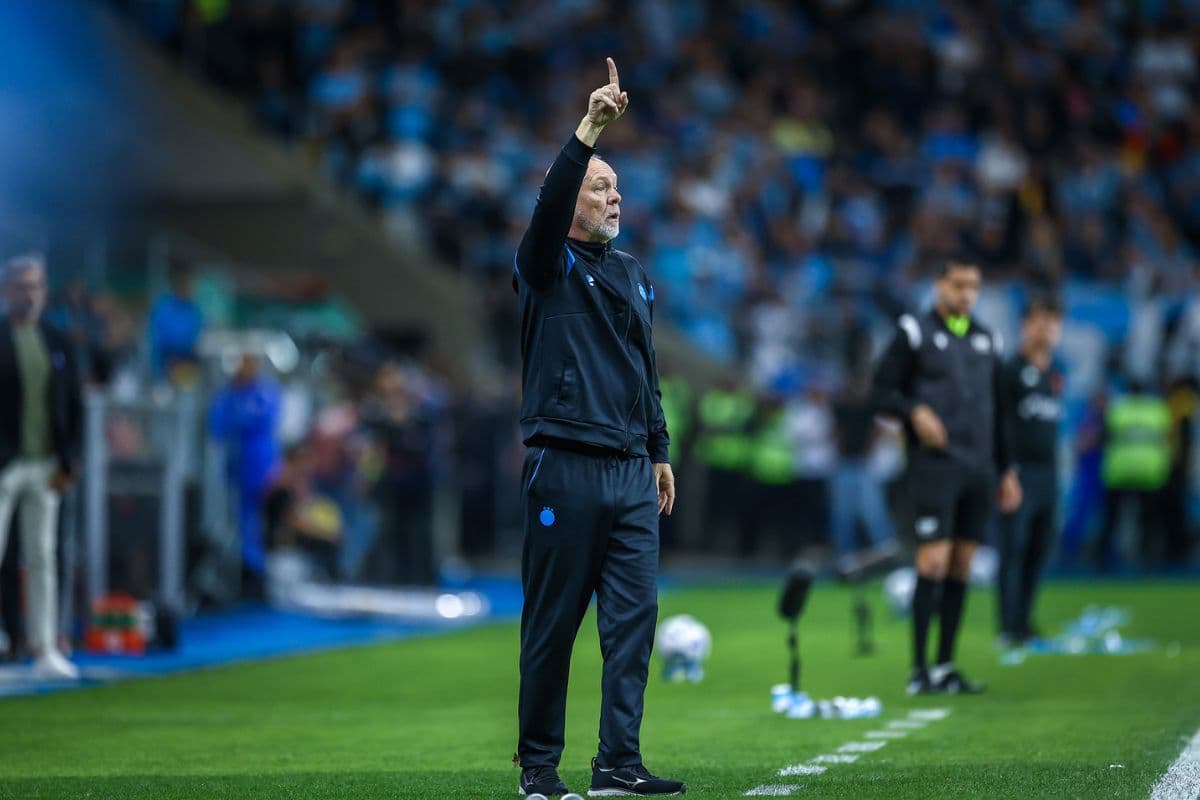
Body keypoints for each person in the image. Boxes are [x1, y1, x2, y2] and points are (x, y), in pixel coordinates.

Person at [511, 59, 685, 798]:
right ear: (569, 200)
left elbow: (644, 370)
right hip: (566, 465)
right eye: (599, 185)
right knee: (553, 629)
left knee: (631, 626)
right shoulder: (543, 266)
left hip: (629, 473)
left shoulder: (635, 273)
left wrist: (658, 448)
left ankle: (618, 764)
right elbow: (549, 205)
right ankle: (540, 770)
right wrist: (587, 131)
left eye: (616, 185)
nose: (614, 195)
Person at [872, 258, 1021, 695]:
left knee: (961, 564)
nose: (966, 294)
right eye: (958, 284)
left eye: (973, 286)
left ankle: (945, 666)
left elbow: (999, 412)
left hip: (979, 468)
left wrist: (1007, 469)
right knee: (932, 560)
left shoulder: (984, 338)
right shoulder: (914, 332)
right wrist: (913, 410)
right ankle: (919, 670)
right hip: (934, 466)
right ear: (939, 285)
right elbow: (880, 390)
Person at [0, 254, 82, 679]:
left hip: (46, 463)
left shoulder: (58, 340)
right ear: (5, 289)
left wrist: (71, 459)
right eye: (21, 285)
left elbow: (73, 405)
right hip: (5, 464)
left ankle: (44, 646)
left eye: (36, 285)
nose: (29, 293)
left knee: (43, 557)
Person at [996, 297, 1065, 645]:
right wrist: (1006, 471)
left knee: (1038, 550)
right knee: (1013, 549)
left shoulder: (1054, 373)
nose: (1047, 330)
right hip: (1019, 473)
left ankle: (1024, 620)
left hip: (1049, 474)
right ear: (1025, 326)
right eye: (1040, 322)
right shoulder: (1011, 370)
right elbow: (1001, 424)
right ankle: (1008, 626)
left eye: (1052, 323)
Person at [209, 353, 282, 599]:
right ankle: (241, 576)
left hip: (261, 469)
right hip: (235, 471)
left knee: (261, 524)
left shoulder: (264, 394)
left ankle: (260, 576)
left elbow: (266, 417)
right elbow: (216, 427)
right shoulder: (227, 397)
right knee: (238, 524)